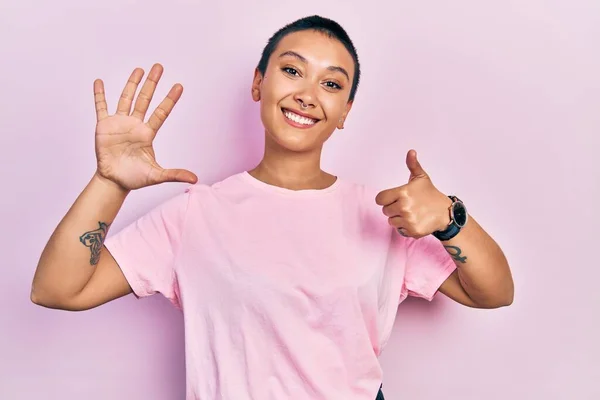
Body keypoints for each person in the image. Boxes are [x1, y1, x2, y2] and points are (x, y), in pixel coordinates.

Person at [31, 15, 514, 400]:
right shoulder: (194, 215)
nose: (306, 94)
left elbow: (493, 293)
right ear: (258, 83)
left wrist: (451, 219)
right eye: (292, 70)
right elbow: (58, 290)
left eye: (331, 84)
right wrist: (109, 182)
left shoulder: (385, 215)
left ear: (346, 111)